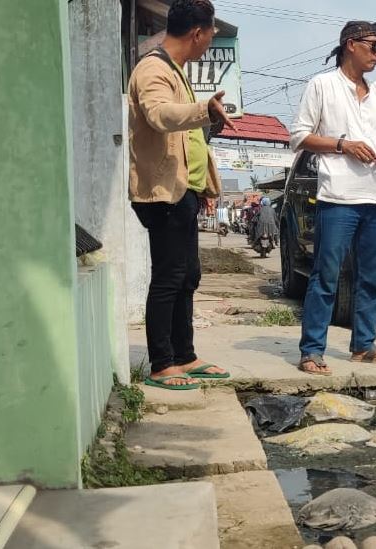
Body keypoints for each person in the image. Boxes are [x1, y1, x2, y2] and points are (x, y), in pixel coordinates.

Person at [128, 0, 235, 389]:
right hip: (162, 193)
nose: (208, 42)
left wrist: (203, 184)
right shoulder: (153, 68)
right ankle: (161, 363)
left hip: (184, 190)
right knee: (169, 277)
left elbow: (190, 137)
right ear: (198, 33)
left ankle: (184, 355)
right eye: (210, 35)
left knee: (188, 275)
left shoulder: (176, 71)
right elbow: (159, 115)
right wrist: (204, 108)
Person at [289, 19, 376, 376]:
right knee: (327, 275)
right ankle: (312, 350)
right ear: (351, 44)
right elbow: (299, 136)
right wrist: (342, 145)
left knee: (372, 277)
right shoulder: (322, 85)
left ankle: (364, 345)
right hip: (337, 195)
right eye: (373, 46)